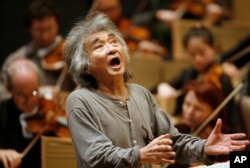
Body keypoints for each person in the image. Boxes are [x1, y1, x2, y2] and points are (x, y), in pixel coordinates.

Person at [64, 12, 249, 168]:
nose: (111, 48)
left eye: (113, 42)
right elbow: (96, 156)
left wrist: (203, 147)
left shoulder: (141, 94)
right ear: (85, 66)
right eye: (99, 46)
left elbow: (173, 143)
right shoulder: (80, 100)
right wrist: (141, 154)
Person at [155, 25, 240, 132]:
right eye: (192, 54)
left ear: (213, 48)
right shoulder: (189, 73)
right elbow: (168, 85)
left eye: (202, 52)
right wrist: (163, 85)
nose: (198, 59)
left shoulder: (222, 78)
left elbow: (231, 117)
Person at [0, 0, 75, 101]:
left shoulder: (72, 51)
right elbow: (2, 92)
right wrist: (35, 92)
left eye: (49, 28)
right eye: (39, 30)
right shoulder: (16, 59)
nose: (45, 35)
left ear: (57, 24)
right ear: (29, 29)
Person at [0, 58, 41, 168]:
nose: (30, 101)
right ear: (8, 89)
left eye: (34, 92)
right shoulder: (2, 112)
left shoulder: (48, 111)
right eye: (21, 95)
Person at [91, 0, 168, 58]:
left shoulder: (128, 25)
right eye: (105, 10)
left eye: (113, 9)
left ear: (120, 8)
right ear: (97, 11)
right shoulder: (93, 34)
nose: (110, 14)